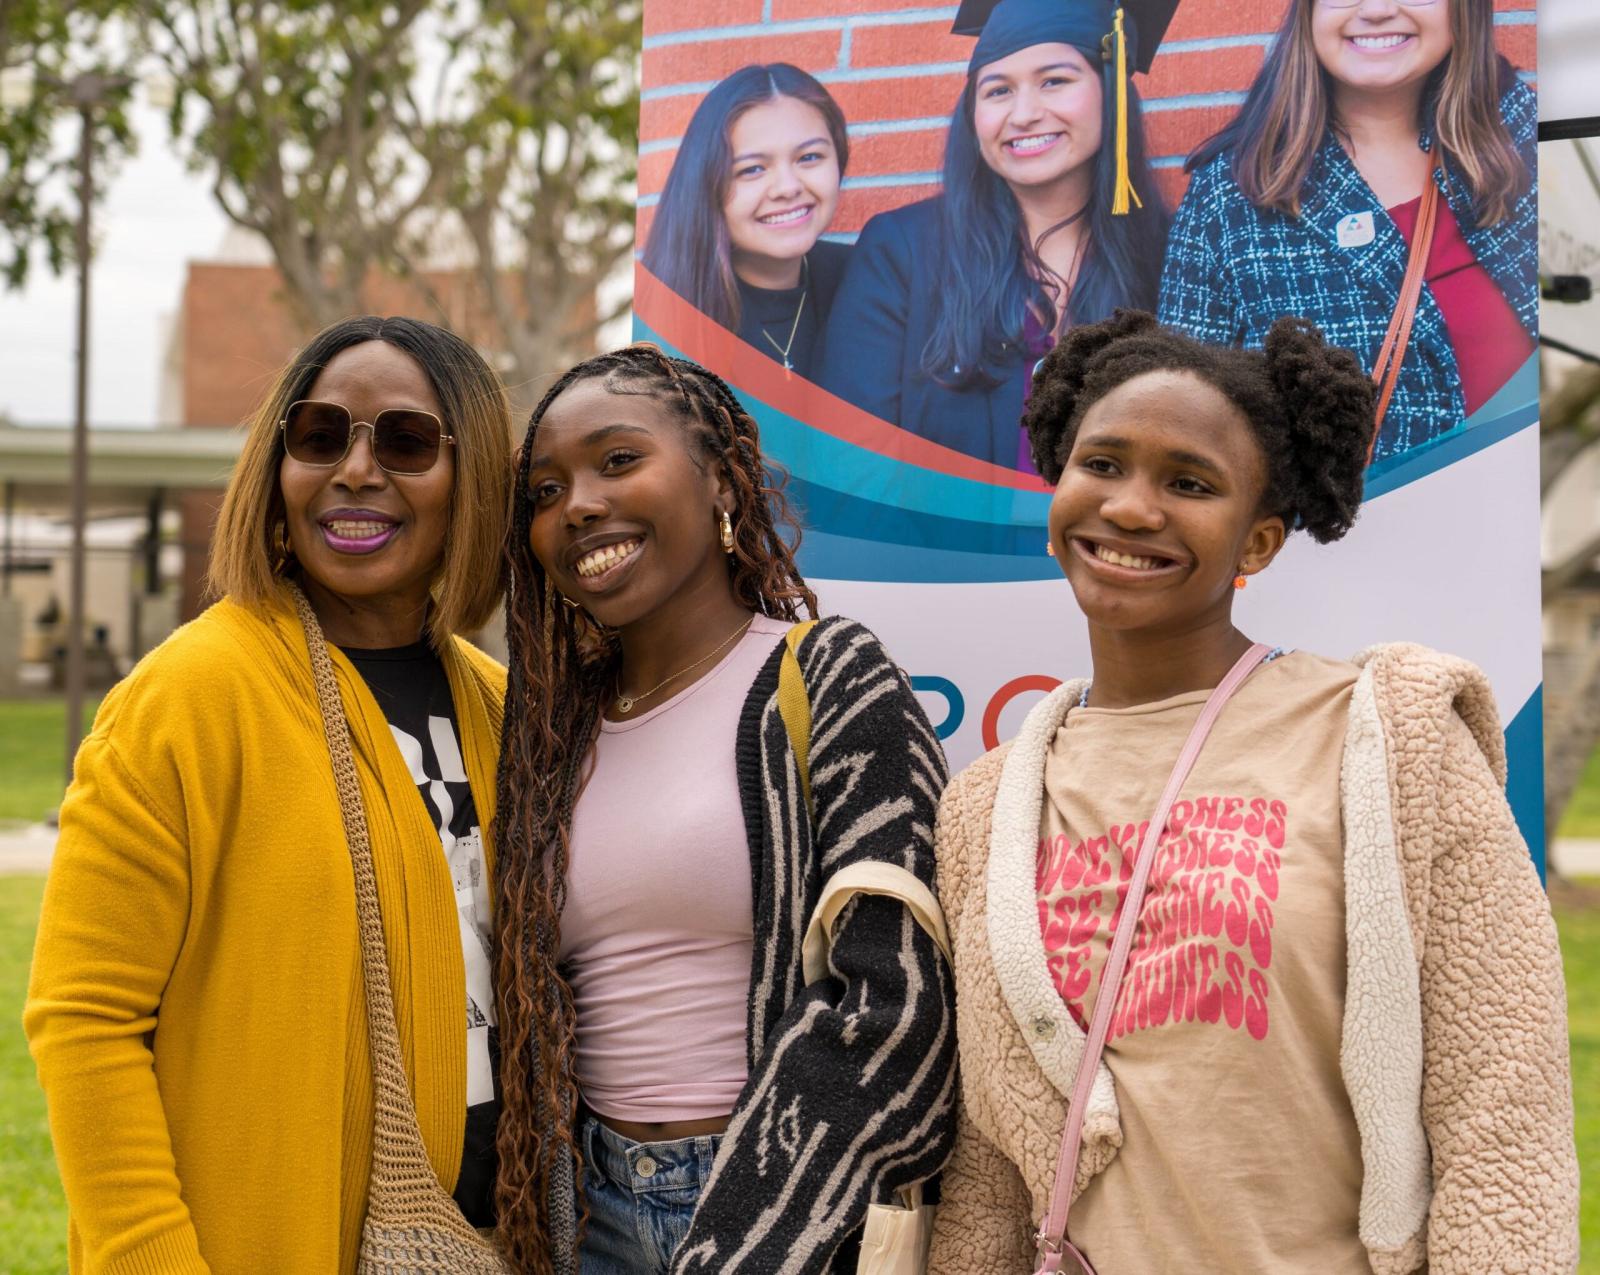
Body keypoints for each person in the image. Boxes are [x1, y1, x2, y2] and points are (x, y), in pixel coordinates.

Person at [928, 310, 1578, 1272]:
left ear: (1259, 541)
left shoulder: (1389, 743)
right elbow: (989, 1152)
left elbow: (1503, 1115)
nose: (1132, 507)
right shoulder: (988, 805)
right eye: (1101, 464)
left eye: (1189, 484)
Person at [25, 316, 514, 1272]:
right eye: (320, 435)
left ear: (475, 478)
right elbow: (85, 1019)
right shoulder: (190, 699)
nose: (356, 470)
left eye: (405, 441)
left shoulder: (498, 706)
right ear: (276, 468)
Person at [492, 344, 956, 1273]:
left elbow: (900, 1002)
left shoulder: (828, 676)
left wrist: (744, 1235)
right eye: (546, 491)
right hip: (592, 1214)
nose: (578, 504)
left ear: (722, 483)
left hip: (792, 1220)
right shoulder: (551, 730)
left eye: (619, 460)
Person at [1159, 0, 1535, 465]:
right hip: (1353, 529)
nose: (1376, 9)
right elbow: (1183, 420)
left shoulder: (1526, 136)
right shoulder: (1229, 196)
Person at [818, 0, 1171, 470]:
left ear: (1112, 93)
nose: (1023, 113)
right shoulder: (903, 253)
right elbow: (852, 465)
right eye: (998, 90)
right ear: (973, 114)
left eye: (1054, 81)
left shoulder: (1169, 256)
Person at [642, 64, 852, 381]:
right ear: (708, 183)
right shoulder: (668, 315)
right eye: (752, 169)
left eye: (809, 157)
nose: (788, 187)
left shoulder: (861, 278)